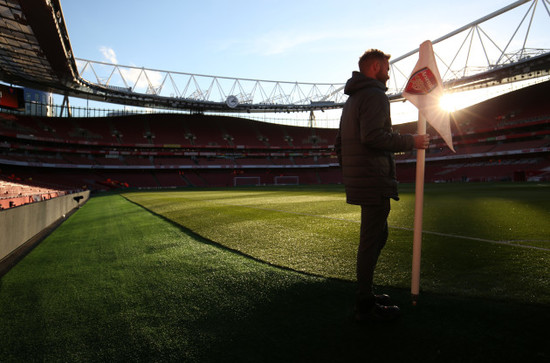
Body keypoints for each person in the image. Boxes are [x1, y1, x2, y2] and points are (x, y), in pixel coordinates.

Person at [335, 49, 430, 322]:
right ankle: (364, 305)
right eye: (387, 68)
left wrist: (353, 173)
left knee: (379, 236)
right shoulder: (374, 95)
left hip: (363, 178)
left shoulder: (352, 99)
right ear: (375, 67)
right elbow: (374, 137)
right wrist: (411, 141)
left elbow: (338, 144)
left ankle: (366, 292)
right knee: (371, 241)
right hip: (372, 178)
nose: (389, 73)